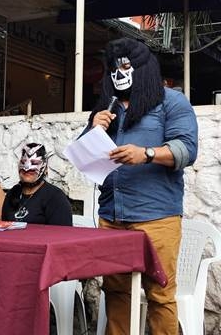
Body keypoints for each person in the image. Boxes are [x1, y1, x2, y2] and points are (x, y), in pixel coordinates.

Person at [84, 37, 198, 334]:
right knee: (117, 293)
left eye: (125, 66)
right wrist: (93, 129)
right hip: (111, 218)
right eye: (113, 68)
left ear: (143, 67)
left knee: (160, 296)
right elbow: (85, 159)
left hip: (156, 218)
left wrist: (145, 154)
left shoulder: (171, 101)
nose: (118, 74)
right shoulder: (106, 108)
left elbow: (187, 150)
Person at [2, 143, 72, 226]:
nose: (27, 168)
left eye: (34, 162)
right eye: (23, 161)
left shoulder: (55, 197)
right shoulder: (12, 193)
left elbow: (62, 234)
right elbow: (4, 226)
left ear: (45, 168)